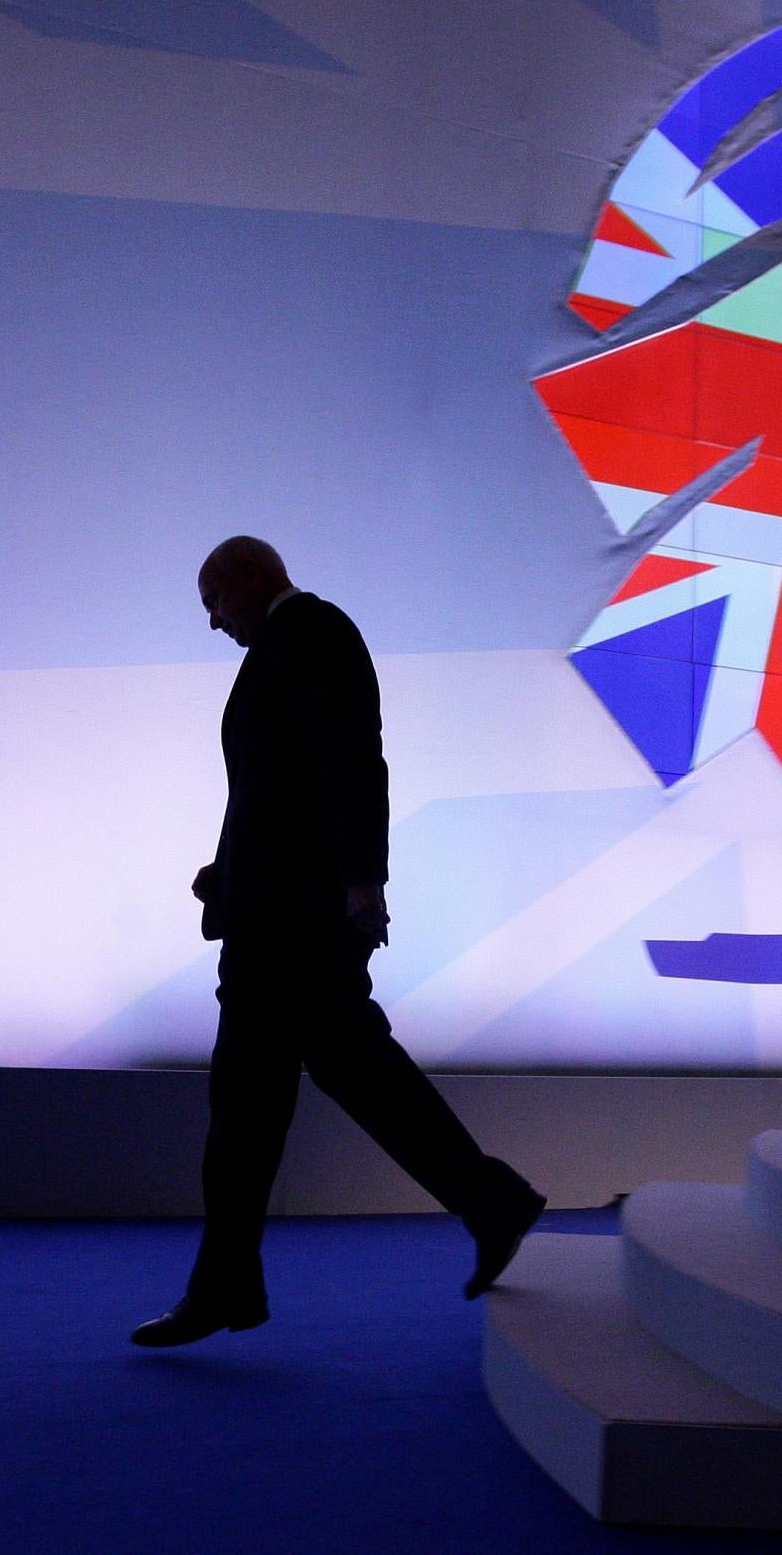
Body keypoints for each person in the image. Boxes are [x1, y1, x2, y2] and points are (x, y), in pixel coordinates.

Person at [132, 537, 547, 1347]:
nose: (213, 623)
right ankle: (488, 1201)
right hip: (285, 915)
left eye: (214, 600)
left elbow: (356, 765)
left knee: (252, 1109)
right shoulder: (299, 642)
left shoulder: (315, 632)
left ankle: (224, 1288)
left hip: (293, 928)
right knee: (333, 1087)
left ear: (254, 576)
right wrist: (234, 868)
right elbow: (288, 789)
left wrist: (364, 881)